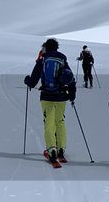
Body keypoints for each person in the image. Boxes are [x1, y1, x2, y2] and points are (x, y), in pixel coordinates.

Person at [24, 37, 77, 166]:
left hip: (47, 96)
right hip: (61, 97)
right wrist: (72, 95)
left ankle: (52, 149)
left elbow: (33, 81)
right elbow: (70, 77)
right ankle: (61, 149)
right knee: (60, 122)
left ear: (45, 47)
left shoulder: (43, 59)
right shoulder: (62, 58)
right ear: (57, 47)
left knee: (49, 122)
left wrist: (27, 80)